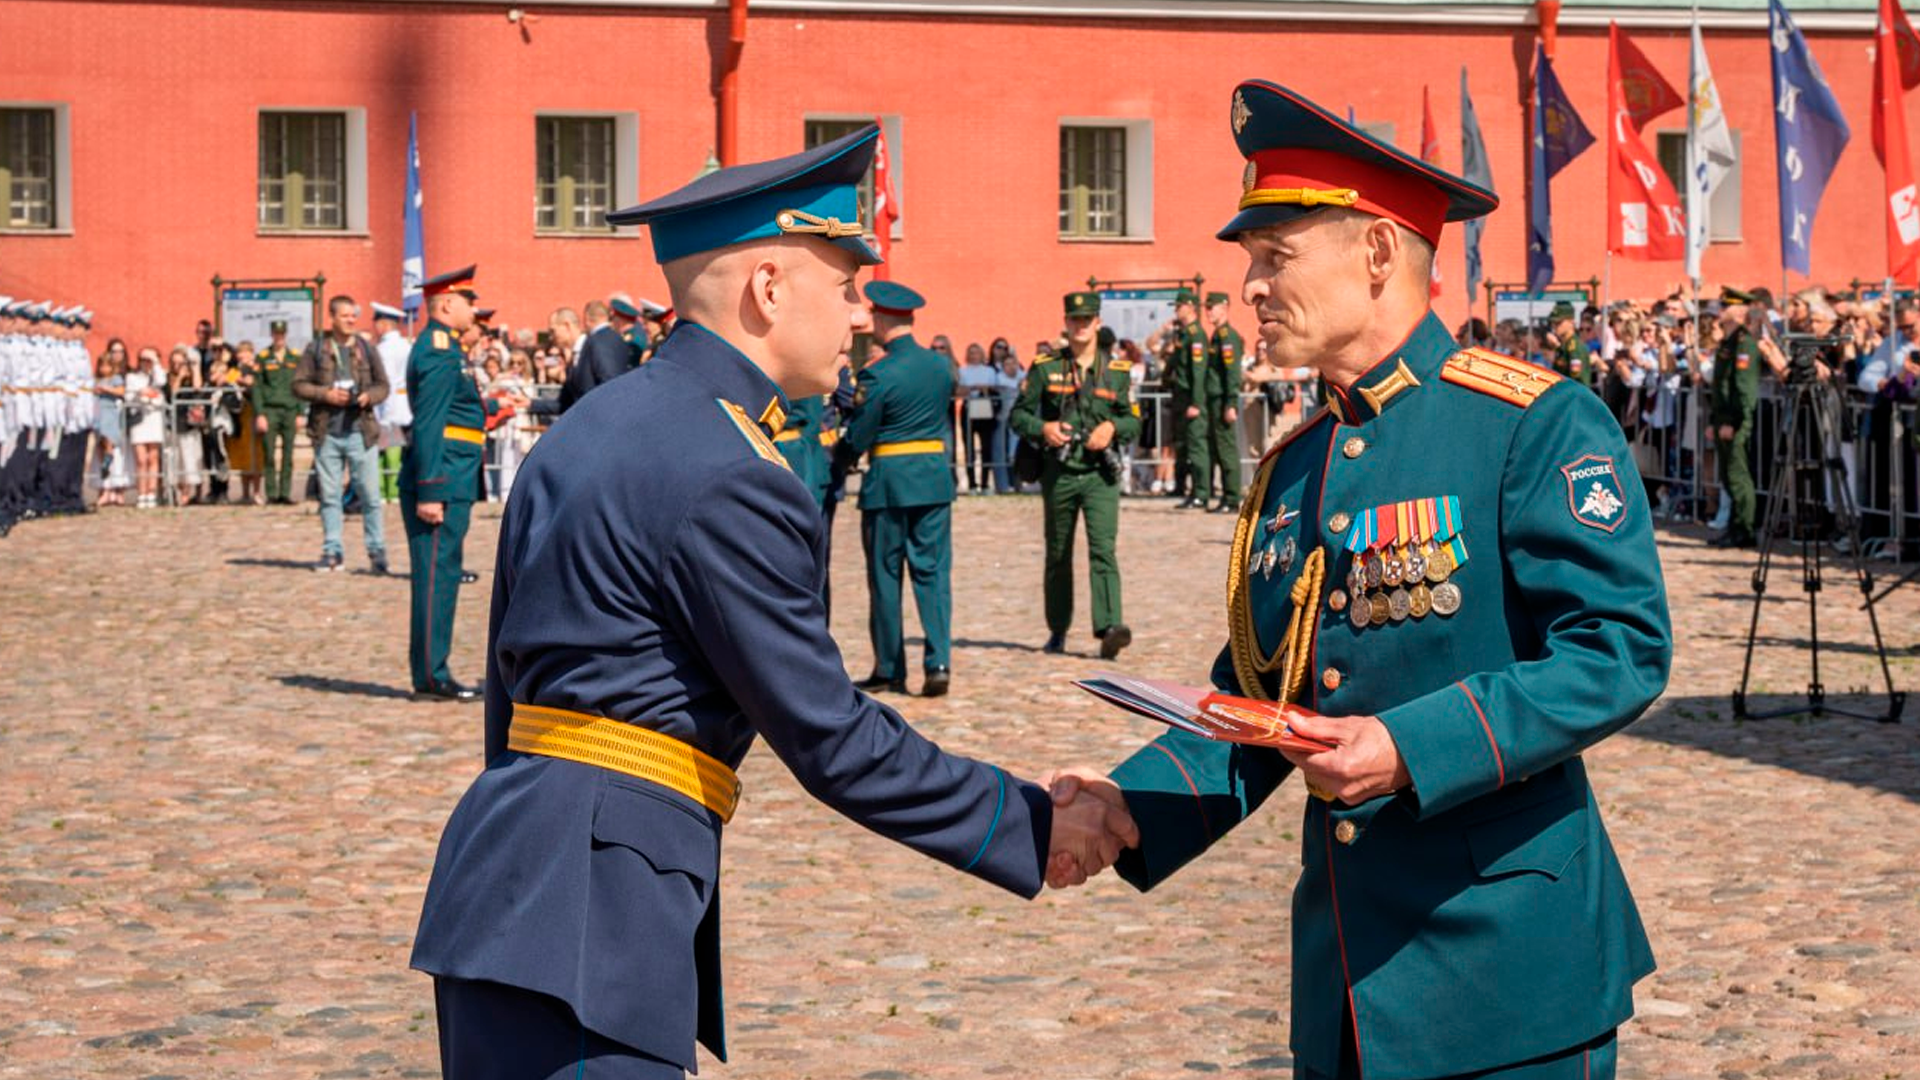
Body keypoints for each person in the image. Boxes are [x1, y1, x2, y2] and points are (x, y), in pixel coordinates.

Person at [409, 125, 1136, 1080]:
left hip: (505, 880)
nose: (857, 318)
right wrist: (1031, 823)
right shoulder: (732, 471)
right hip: (600, 914)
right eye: (844, 288)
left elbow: (513, 690)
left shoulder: (591, 426)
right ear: (766, 288)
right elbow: (828, 734)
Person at [1053, 79, 1671, 1080]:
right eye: (1250, 261)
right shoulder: (1297, 463)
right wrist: (1121, 809)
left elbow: (1618, 653)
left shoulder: (1527, 422)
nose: (1250, 286)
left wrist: (1410, 746)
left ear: (1377, 253)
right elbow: (1262, 703)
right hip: (1346, 983)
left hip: (1507, 971)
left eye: (1275, 257)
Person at [840, 280, 957, 697]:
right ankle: (938, 661)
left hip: (889, 482)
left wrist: (844, 454)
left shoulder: (878, 373)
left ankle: (891, 667)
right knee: (933, 574)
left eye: (873, 315)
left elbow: (860, 433)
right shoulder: (941, 367)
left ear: (886, 319)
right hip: (932, 478)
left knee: (886, 577)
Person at [1009, 291, 1138, 659]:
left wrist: (1112, 427)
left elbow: (1133, 419)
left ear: (1098, 323)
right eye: (1074, 320)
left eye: (1087, 319)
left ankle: (1110, 627)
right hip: (1060, 473)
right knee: (1058, 552)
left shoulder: (1116, 372)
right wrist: (1044, 427)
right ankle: (1058, 629)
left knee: (1103, 550)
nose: (1080, 326)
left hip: (1100, 475)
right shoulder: (1046, 367)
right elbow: (1019, 415)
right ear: (1066, 323)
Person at [399, 266, 489, 701]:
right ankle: (432, 675)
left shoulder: (448, 348)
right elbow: (431, 423)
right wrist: (431, 489)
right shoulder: (438, 350)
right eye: (469, 301)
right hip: (443, 477)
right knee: (437, 577)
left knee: (445, 573)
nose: (474, 309)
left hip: (455, 472)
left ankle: (433, 670)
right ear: (448, 304)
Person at [293, 296, 390, 572]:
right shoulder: (316, 349)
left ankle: (376, 550)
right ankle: (332, 550)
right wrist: (326, 394)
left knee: (370, 495)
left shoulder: (366, 349)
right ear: (332, 318)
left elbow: (383, 386)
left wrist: (367, 397)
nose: (351, 320)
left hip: (361, 431)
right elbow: (298, 385)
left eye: (353, 315)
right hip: (328, 432)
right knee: (330, 495)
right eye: (345, 315)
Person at [1709, 287, 1763, 549]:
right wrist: (1714, 421)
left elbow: (1743, 389)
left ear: (1740, 311)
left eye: (1726, 305)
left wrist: (1734, 421)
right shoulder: (1728, 343)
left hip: (1736, 421)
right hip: (1723, 419)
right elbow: (1720, 388)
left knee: (1738, 476)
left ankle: (1745, 529)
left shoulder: (1744, 344)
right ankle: (1734, 526)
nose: (1721, 309)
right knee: (1728, 476)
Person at [1161, 287, 1208, 505]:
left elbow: (1198, 373)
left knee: (1196, 447)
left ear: (1189, 307)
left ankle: (1200, 493)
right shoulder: (1183, 334)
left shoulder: (1196, 335)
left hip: (1191, 399)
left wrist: (1197, 402)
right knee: (1181, 445)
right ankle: (1182, 487)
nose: (1176, 311)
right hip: (1179, 398)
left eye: (1179, 306)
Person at [1200, 290, 1245, 512]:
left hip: (1222, 400)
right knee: (1219, 449)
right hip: (1215, 399)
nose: (1208, 312)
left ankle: (1232, 498)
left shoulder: (1228, 337)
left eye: (1212, 307)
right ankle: (1226, 496)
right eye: (1207, 308)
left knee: (1226, 449)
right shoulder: (1217, 335)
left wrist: (1231, 403)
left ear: (1225, 308)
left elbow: (1232, 374)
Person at [254, 319, 303, 505]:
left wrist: (300, 412)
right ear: (272, 334)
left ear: (286, 335)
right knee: (268, 454)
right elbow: (257, 387)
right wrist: (260, 414)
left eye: (282, 334)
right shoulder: (264, 357)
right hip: (270, 410)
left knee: (288, 454)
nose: (279, 337)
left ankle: (285, 492)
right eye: (276, 333)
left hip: (290, 410)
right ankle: (272, 493)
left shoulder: (295, 357)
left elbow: (299, 386)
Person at [371, 303, 414, 502]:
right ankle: (391, 492)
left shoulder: (384, 349)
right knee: (395, 452)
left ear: (385, 324)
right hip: (404, 406)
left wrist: (383, 414)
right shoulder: (405, 345)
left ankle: (386, 492)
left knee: (388, 453)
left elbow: (385, 381)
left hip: (389, 407)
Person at [956, 341, 1000, 493]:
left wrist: (984, 388)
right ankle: (972, 485)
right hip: (968, 408)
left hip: (984, 407)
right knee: (969, 447)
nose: (974, 355)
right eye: (971, 352)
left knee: (986, 447)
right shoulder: (963, 371)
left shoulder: (989, 371)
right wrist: (972, 388)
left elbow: (995, 388)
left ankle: (985, 484)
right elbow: (959, 390)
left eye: (976, 352)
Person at [94, 339, 130, 507]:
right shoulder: (97, 379)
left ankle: (116, 485)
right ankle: (105, 487)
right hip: (98, 413)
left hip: (110, 413)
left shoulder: (115, 379)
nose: (105, 369)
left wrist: (105, 390)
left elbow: (121, 392)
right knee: (100, 443)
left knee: (110, 442)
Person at [1546, 301, 1593, 388]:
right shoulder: (1563, 347)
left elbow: (1577, 381)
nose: (1554, 326)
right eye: (1553, 323)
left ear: (1571, 322)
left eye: (1559, 323)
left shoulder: (1574, 348)